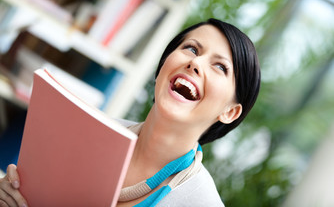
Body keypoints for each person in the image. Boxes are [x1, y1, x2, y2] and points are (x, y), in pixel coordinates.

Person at [0, 18, 261, 207]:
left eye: (220, 67)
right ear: (161, 70)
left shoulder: (201, 202)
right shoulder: (85, 135)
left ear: (230, 112)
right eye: (191, 49)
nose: (195, 62)